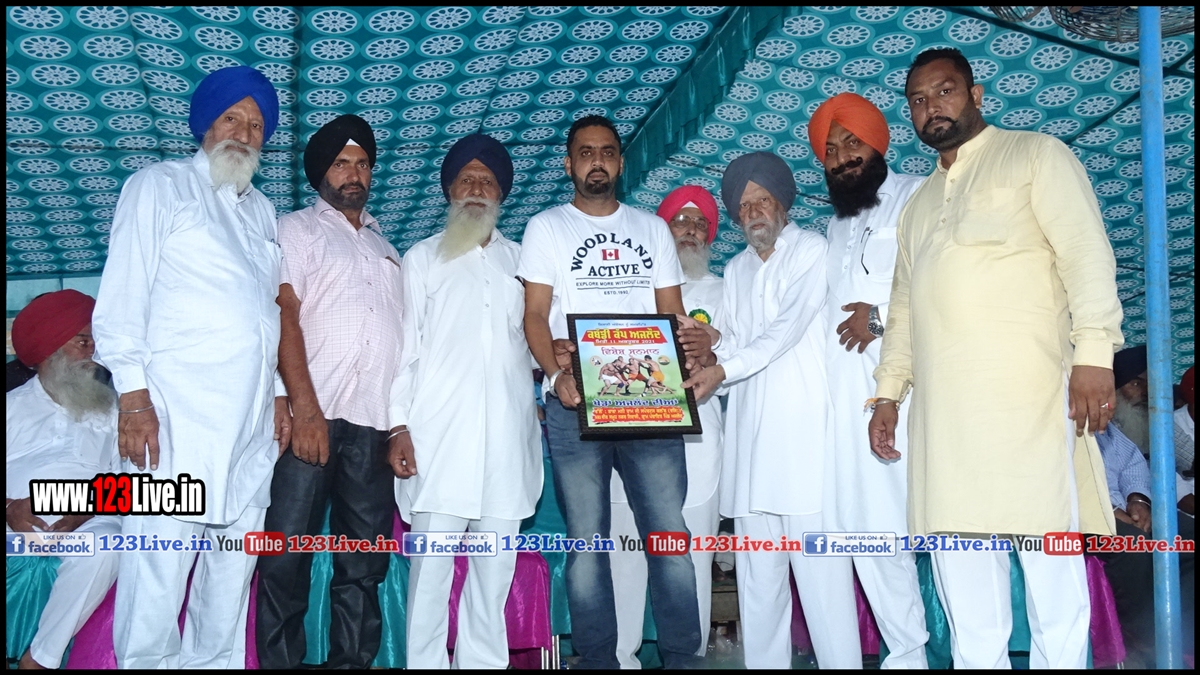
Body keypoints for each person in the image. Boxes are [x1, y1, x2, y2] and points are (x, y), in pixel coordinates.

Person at [868, 48, 1122, 669]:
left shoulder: (1036, 156)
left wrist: (1094, 354)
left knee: (1051, 575)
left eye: (945, 91)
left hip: (1028, 406)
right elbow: (903, 310)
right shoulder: (918, 206)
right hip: (944, 426)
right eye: (919, 100)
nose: (932, 107)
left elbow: (1086, 253)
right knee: (965, 590)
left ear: (976, 94)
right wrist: (887, 393)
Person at [93, 65, 290, 669]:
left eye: (256, 125)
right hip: (172, 421)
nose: (244, 133)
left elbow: (263, 313)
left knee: (229, 582)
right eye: (232, 118)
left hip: (250, 431)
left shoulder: (263, 211)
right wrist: (133, 397)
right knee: (158, 578)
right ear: (206, 124)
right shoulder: (158, 186)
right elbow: (122, 298)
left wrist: (278, 391)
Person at [518, 115, 711, 669]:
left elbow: (671, 315)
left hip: (651, 402)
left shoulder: (651, 229)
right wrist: (556, 376)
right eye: (585, 152)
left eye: (606, 152)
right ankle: (597, 660)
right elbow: (534, 315)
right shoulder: (546, 227)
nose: (596, 161)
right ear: (569, 163)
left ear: (621, 162)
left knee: (670, 540)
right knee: (586, 545)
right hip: (575, 402)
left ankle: (683, 659)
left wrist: (701, 346)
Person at [684, 151, 862, 669]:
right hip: (751, 448)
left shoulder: (811, 250)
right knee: (759, 587)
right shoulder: (736, 269)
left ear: (783, 203)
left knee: (823, 586)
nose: (754, 212)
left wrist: (723, 367)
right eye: (744, 206)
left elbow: (785, 330)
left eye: (763, 200)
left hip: (806, 443)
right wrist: (715, 345)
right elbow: (742, 340)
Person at [389, 133, 543, 669]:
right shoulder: (421, 258)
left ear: (501, 194)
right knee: (430, 574)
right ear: (449, 190)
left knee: (494, 574)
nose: (476, 188)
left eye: (487, 181)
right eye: (466, 180)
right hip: (438, 440)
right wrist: (397, 426)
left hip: (506, 441)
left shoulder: (523, 263)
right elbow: (404, 350)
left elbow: (539, 345)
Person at [256, 114, 403, 669]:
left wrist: (399, 425)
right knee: (285, 557)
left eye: (362, 163)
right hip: (311, 418)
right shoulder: (295, 229)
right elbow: (284, 315)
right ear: (321, 171)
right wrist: (304, 408)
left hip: (373, 423)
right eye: (341, 163)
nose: (353, 173)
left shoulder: (388, 247)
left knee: (363, 565)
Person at [810, 93, 930, 668]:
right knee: (868, 538)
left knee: (926, 534)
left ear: (879, 143)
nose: (841, 157)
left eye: (851, 143)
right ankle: (905, 655)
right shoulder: (835, 227)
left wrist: (878, 319)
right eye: (831, 150)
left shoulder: (918, 197)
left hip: (906, 401)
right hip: (845, 412)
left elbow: (942, 288)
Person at [610, 186, 726, 667]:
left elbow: (738, 362)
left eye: (701, 223)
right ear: (661, 231)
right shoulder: (629, 285)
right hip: (630, 441)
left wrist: (714, 351)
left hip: (699, 451)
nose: (691, 230)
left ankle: (688, 659)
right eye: (680, 220)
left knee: (692, 569)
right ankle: (622, 660)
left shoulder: (725, 291)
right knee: (625, 566)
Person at [7, 291, 121, 670]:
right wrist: (9, 509)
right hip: (14, 525)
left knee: (108, 543)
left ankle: (40, 659)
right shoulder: (10, 407)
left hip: (89, 521)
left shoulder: (114, 410)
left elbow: (130, 483)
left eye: (94, 342)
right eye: (83, 342)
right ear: (50, 350)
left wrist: (87, 510)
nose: (93, 353)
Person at [1094, 420, 1195, 666]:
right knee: (1132, 544)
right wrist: (1110, 510)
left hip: (1126, 505)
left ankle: (1183, 636)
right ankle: (1144, 637)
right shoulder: (1061, 423)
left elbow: (1133, 463)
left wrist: (1138, 500)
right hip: (1086, 513)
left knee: (1189, 535)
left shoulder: (1105, 429)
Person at [1111, 344, 1151, 455]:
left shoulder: (1163, 422)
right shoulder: (1105, 429)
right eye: (1136, 384)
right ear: (1116, 390)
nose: (1146, 392)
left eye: (1150, 384)